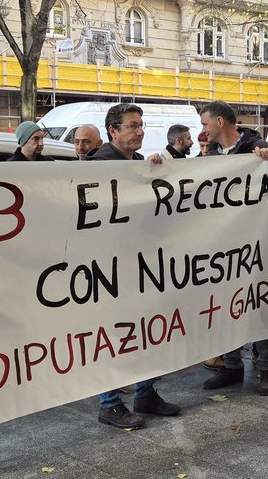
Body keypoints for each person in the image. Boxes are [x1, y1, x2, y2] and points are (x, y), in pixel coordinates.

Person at [84, 103, 178, 428]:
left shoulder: (137, 164)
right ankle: (109, 403)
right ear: (113, 131)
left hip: (139, 263)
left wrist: (151, 172)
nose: (140, 131)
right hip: (110, 267)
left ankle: (145, 392)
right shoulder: (97, 166)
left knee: (144, 330)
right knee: (115, 334)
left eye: (142, 125)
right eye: (132, 126)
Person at [196, 101, 268, 395]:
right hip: (223, 246)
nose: (202, 130)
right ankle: (232, 366)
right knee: (226, 306)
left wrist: (266, 157)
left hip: (255, 244)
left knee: (258, 303)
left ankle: (266, 368)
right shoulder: (210, 154)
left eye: (205, 124)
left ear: (220, 122)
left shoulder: (256, 148)